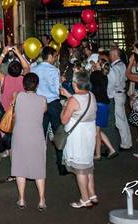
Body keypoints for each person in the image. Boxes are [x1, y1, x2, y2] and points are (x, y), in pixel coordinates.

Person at [60, 69, 98, 209]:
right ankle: (92, 194)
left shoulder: (72, 101)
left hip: (78, 136)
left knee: (80, 169)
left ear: (75, 83)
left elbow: (64, 120)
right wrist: (69, 96)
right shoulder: (91, 96)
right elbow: (80, 103)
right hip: (90, 133)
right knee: (88, 164)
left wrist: (64, 105)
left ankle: (85, 199)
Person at [10, 71, 48, 211]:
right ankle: (42, 200)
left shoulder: (17, 96)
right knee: (39, 167)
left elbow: (13, 109)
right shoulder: (42, 99)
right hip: (36, 135)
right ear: (36, 85)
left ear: (23, 84)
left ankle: (21, 199)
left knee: (20, 167)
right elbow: (43, 111)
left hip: (20, 135)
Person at [32, 46, 68, 175]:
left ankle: (38, 165)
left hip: (39, 104)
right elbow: (56, 88)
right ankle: (61, 164)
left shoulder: (34, 68)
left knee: (40, 135)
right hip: (53, 103)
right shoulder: (54, 70)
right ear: (50, 56)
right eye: (54, 56)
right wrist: (60, 84)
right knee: (59, 133)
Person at [88, 57, 117, 160]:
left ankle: (99, 154)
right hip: (104, 104)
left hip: (98, 104)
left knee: (96, 130)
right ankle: (110, 150)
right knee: (98, 130)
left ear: (99, 65)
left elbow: (89, 83)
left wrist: (92, 70)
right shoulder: (105, 75)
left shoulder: (95, 74)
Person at [106, 47, 132, 152]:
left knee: (119, 121)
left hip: (116, 94)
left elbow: (112, 83)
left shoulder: (114, 68)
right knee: (123, 119)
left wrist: (109, 94)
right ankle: (127, 142)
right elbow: (125, 78)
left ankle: (125, 144)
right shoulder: (122, 65)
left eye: (111, 54)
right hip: (121, 92)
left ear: (115, 55)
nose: (110, 56)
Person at [0, 45, 29, 112]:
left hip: (6, 113)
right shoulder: (24, 79)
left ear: (8, 70)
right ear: (20, 70)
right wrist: (18, 53)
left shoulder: (4, 79)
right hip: (20, 112)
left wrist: (3, 53)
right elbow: (26, 67)